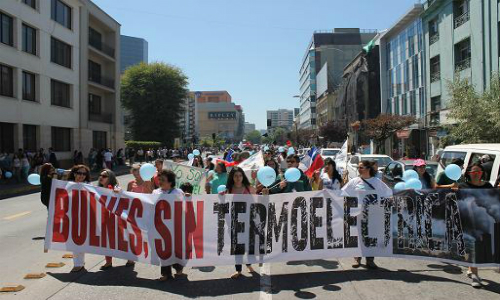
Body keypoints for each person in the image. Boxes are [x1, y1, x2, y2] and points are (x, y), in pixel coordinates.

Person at [342, 160, 392, 270]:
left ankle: (370, 260)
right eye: (358, 167)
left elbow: (388, 193)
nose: (359, 169)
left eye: (361, 167)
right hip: (358, 214)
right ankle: (357, 258)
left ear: (368, 169)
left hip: (373, 215)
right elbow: (343, 193)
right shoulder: (354, 181)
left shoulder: (377, 182)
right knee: (359, 236)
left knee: (371, 237)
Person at [456, 163, 494, 288]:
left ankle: (471, 268)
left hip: (484, 220)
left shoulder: (488, 186)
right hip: (468, 220)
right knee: (474, 245)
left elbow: (493, 200)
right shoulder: (463, 186)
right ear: (469, 173)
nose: (476, 174)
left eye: (478, 172)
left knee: (481, 245)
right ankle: (475, 276)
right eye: (473, 172)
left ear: (482, 173)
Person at [153, 169, 186, 281]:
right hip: (161, 227)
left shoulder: (178, 193)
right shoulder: (155, 193)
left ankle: (178, 267)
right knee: (163, 250)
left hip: (175, 227)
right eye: (159, 179)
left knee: (174, 249)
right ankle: (166, 274)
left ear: (170, 182)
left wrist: (188, 197)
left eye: (163, 180)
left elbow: (185, 208)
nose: (160, 181)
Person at [225, 167, 256, 279]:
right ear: (232, 177)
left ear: (243, 176)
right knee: (237, 247)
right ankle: (238, 270)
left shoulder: (249, 188)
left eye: (240, 175)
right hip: (235, 223)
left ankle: (248, 264)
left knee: (249, 246)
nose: (238, 178)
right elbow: (223, 204)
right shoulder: (228, 190)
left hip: (249, 221)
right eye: (235, 176)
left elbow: (257, 201)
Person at [67, 165, 91, 272]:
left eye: (84, 174)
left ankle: (79, 263)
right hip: (71, 217)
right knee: (73, 241)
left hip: (85, 217)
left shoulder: (89, 186)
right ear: (74, 173)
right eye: (79, 173)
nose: (81, 176)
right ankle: (78, 263)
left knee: (81, 241)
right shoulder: (67, 185)